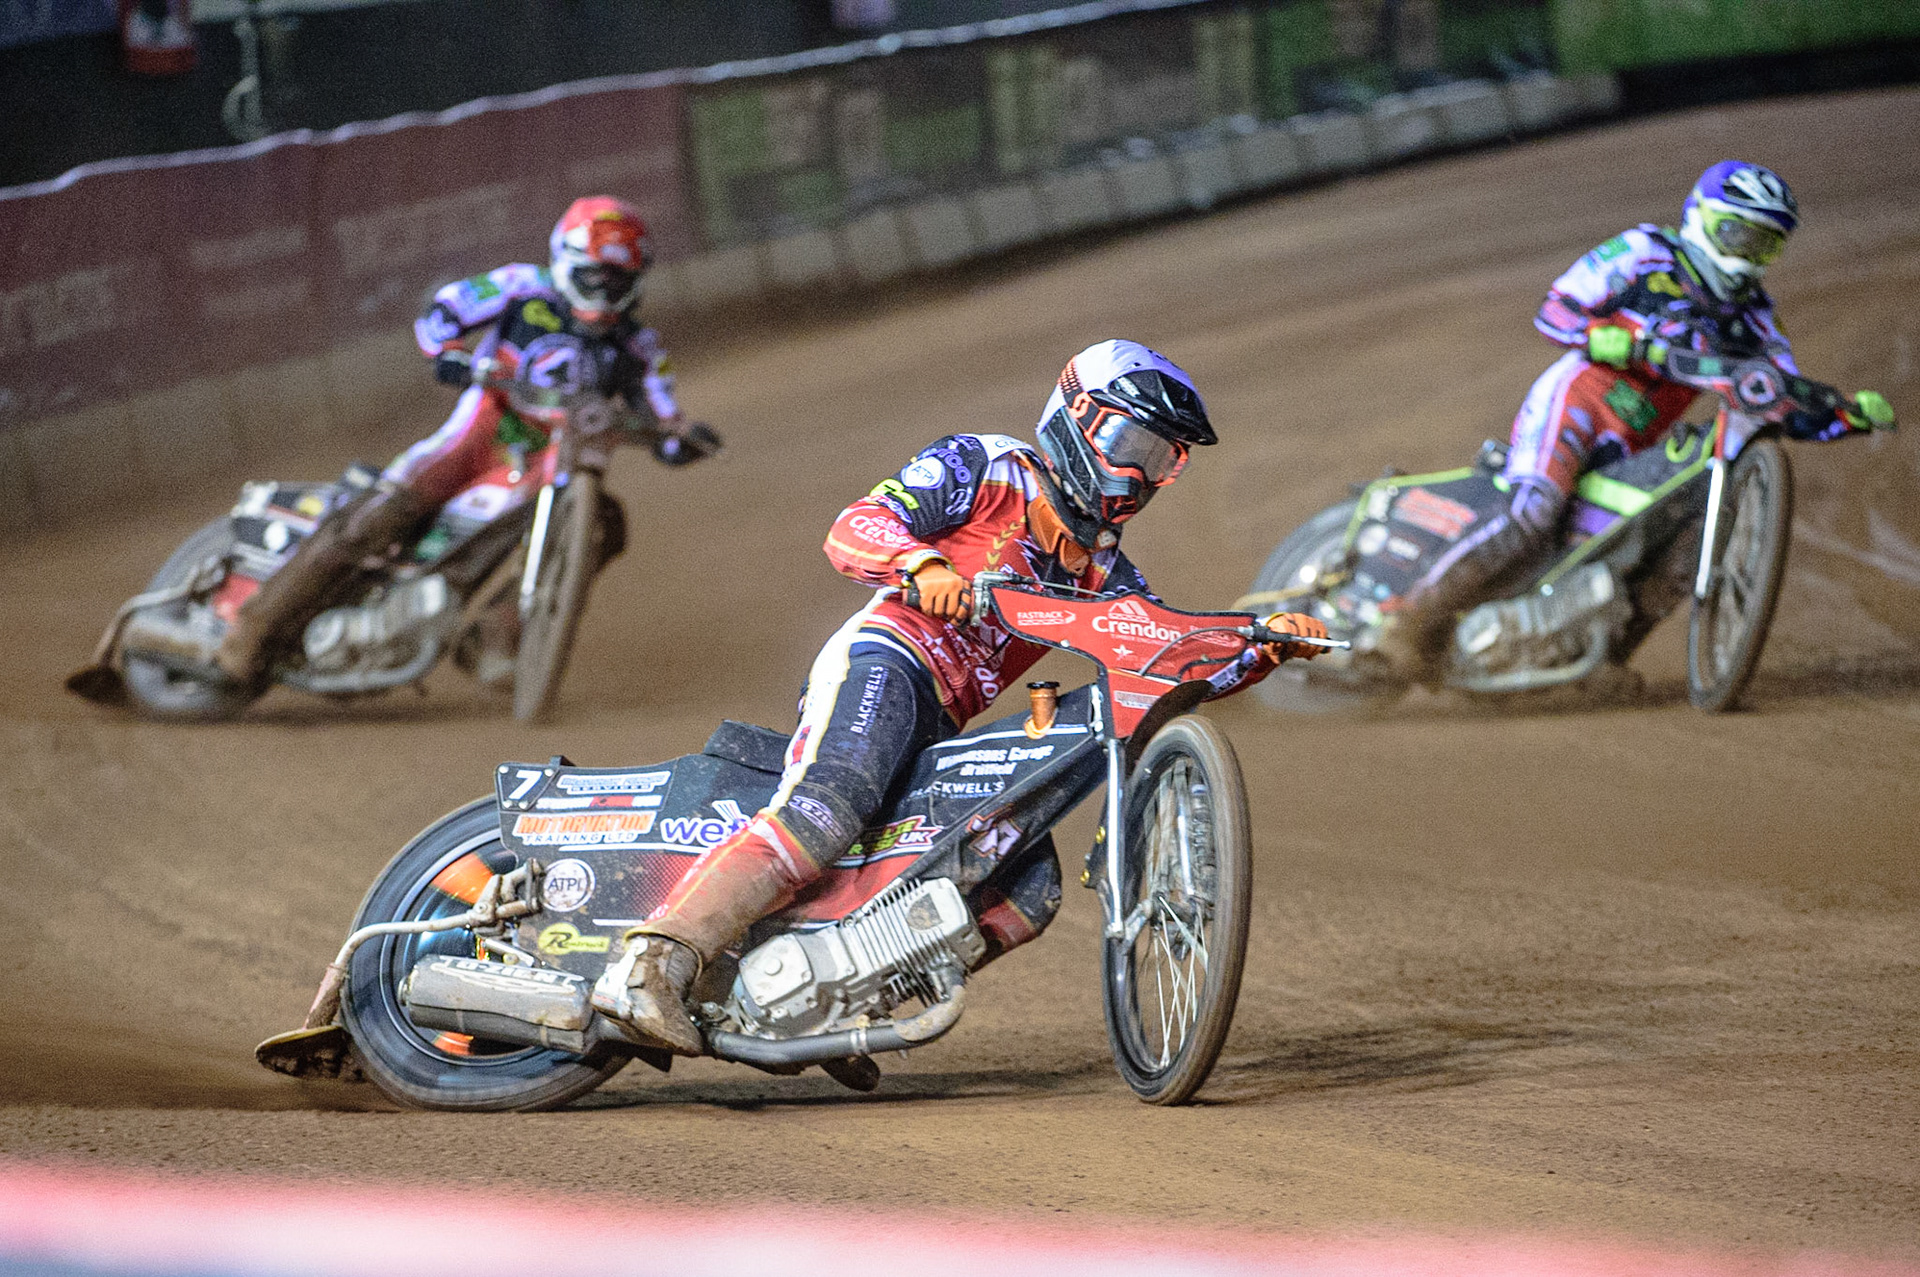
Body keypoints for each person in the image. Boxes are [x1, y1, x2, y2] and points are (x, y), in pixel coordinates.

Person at [590, 338, 1329, 1053]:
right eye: (1132, 447)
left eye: (1163, 461)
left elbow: (1163, 655)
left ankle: (834, 1001)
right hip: (890, 659)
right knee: (828, 808)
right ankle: (652, 961)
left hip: (945, 719)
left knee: (1025, 881)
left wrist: (1262, 647)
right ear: (1078, 420)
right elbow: (855, 528)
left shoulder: (1106, 571)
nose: (1141, 475)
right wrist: (920, 563)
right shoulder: (987, 465)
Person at [1379, 160, 1897, 673]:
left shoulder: (1755, 319)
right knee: (1535, 509)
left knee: (1672, 549)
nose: (1747, 255)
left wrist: (1846, 418)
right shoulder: (1646, 252)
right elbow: (1555, 309)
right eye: (1737, 233)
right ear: (1700, 217)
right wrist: (1595, 335)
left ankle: (1604, 658)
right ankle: (1406, 620)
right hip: (1578, 402)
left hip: (1634, 441)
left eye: (1764, 244)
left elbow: (1777, 400)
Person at [214, 196, 719, 684]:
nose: (606, 291)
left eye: (620, 280)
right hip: (483, 427)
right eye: (595, 276)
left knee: (604, 524)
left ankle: (494, 638)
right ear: (566, 262)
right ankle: (254, 628)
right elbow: (445, 309)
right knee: (386, 511)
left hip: (550, 458)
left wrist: (680, 441)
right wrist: (450, 352)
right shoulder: (522, 286)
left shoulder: (640, 347)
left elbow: (664, 417)